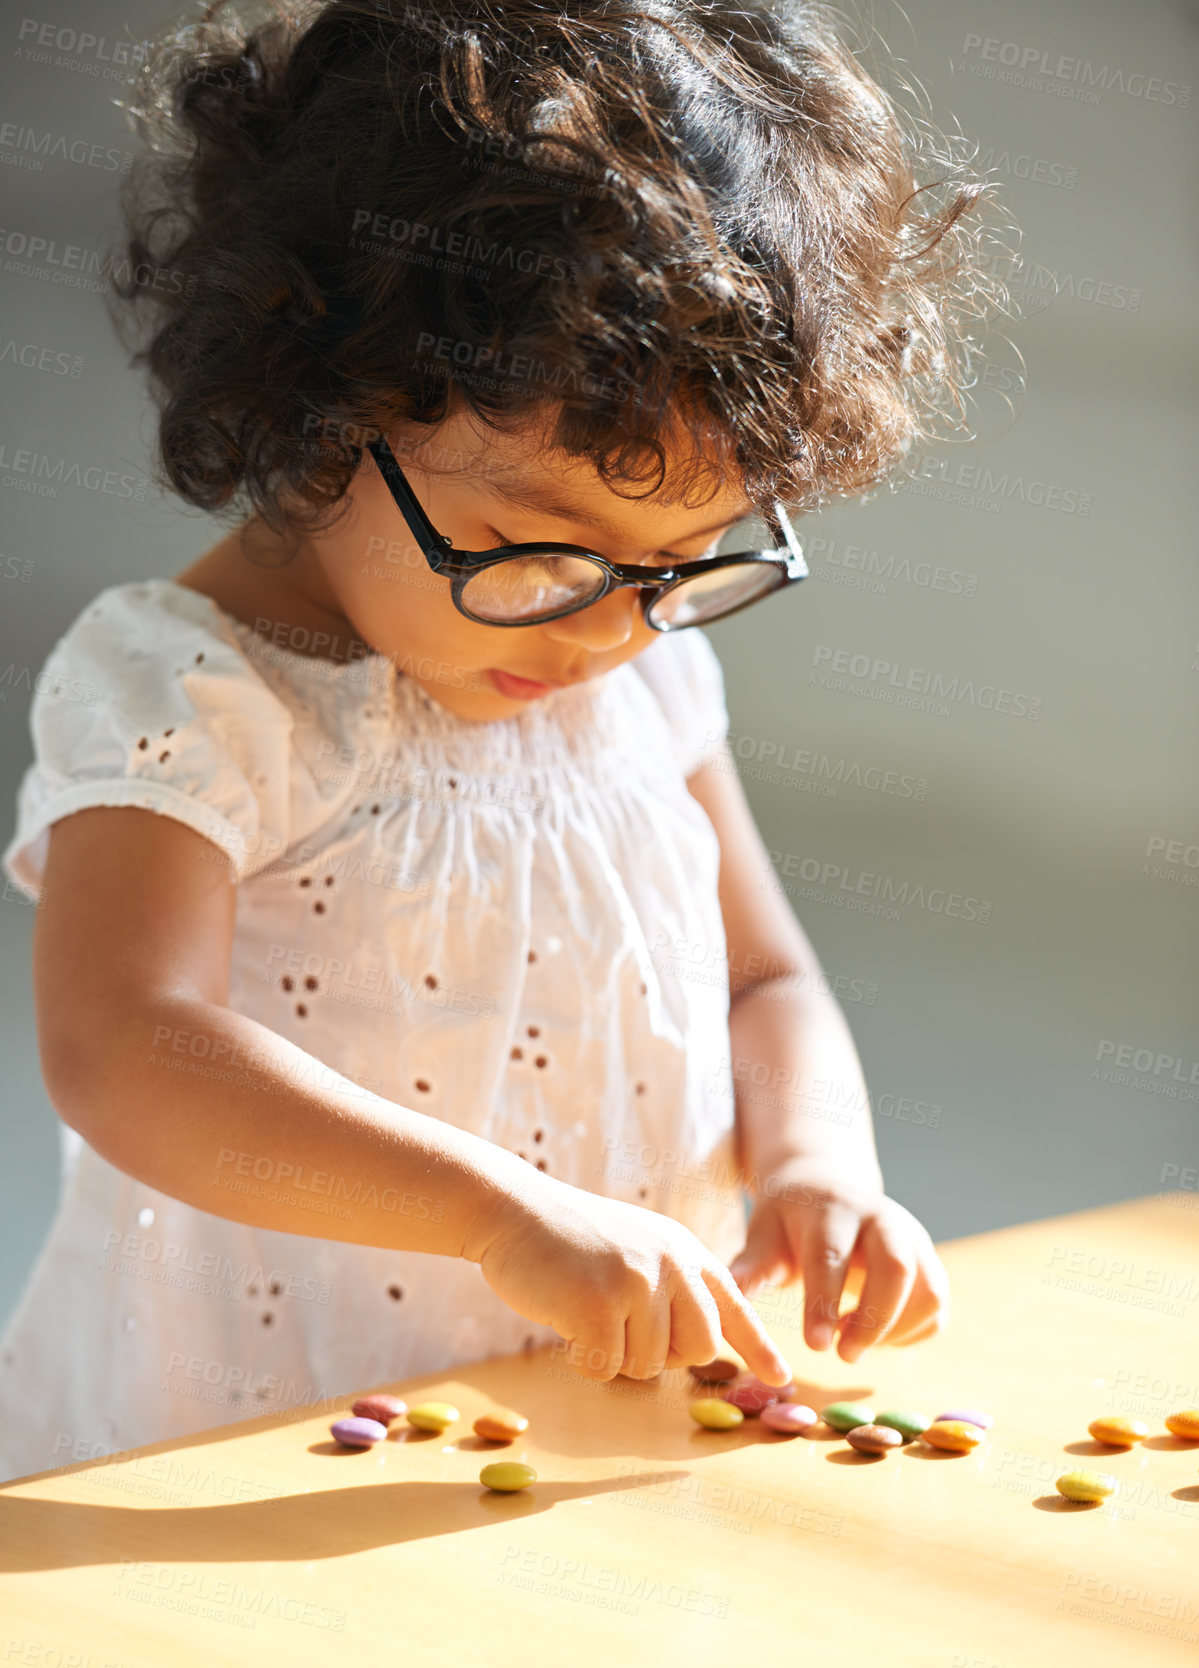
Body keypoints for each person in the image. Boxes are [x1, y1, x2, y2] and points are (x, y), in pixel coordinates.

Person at [0, 0, 1003, 1482]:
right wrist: (490, 1212)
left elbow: (766, 977)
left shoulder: (632, 675)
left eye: (684, 565)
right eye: (538, 555)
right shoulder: (192, 690)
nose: (607, 632)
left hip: (581, 1404)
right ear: (327, 409)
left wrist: (815, 1161)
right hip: (260, 1427)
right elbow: (124, 1049)